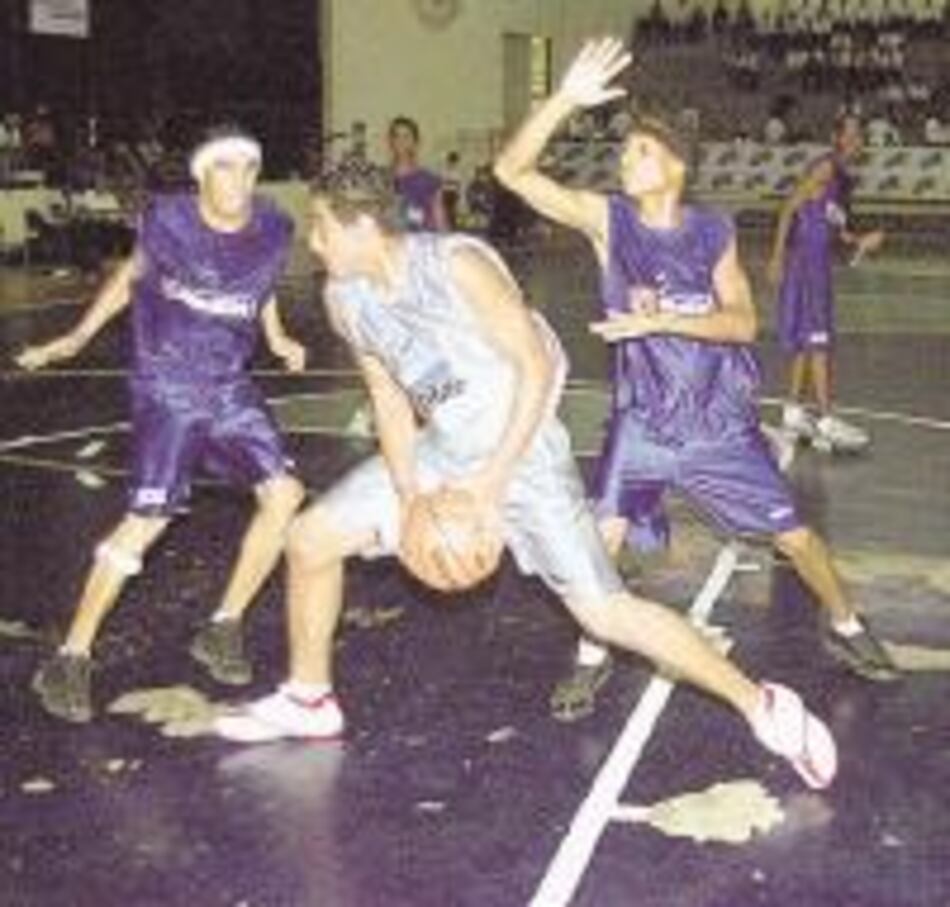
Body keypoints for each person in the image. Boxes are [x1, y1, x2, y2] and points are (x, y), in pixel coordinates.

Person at [212, 153, 839, 794]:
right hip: (444, 449)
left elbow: (538, 370)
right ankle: (310, 698)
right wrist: (411, 498)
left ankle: (763, 706)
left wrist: (489, 485)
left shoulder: (459, 264)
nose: (313, 244)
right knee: (311, 538)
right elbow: (389, 400)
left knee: (606, 615)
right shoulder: (344, 299)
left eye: (321, 229)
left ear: (362, 227)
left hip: (526, 450)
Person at [493, 38, 898, 722]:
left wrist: (663, 324)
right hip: (644, 421)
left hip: (715, 424)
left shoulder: (712, 231)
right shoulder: (609, 222)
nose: (626, 158)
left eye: (641, 151)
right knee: (604, 539)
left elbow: (742, 323)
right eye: (625, 150)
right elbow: (511, 170)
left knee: (795, 537)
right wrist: (564, 98)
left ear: (675, 166)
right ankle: (593, 654)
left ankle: (850, 624)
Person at [16, 125, 307, 722]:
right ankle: (69, 657)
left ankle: (222, 627)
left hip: (229, 388)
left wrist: (276, 335)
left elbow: (262, 283)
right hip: (169, 389)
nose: (241, 181)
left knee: (285, 494)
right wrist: (74, 336)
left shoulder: (272, 227)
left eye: (250, 169)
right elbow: (130, 277)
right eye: (227, 168)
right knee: (148, 520)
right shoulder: (170, 223)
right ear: (202, 174)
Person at [767, 114, 885, 451]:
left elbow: (834, 227)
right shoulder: (825, 168)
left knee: (809, 337)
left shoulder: (845, 180)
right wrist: (777, 257)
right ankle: (827, 419)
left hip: (818, 265)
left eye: (859, 133)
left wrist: (859, 240)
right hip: (804, 264)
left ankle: (792, 411)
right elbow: (788, 208)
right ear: (837, 138)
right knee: (818, 340)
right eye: (849, 133)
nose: (856, 139)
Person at [388, 115, 448, 231]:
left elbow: (440, 222)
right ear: (391, 141)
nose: (401, 141)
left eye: (406, 136)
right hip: (388, 245)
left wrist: (447, 245)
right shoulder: (380, 177)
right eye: (396, 136)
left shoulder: (429, 180)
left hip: (419, 244)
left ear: (415, 142)